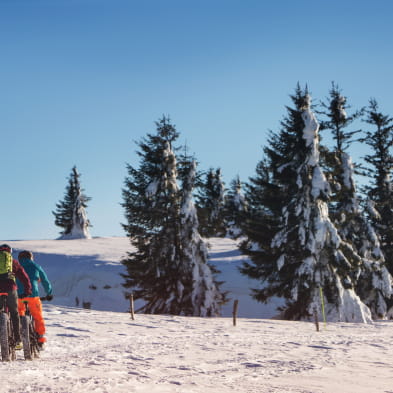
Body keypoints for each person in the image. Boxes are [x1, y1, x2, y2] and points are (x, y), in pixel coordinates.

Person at [17, 250, 53, 349]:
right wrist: (49, 293)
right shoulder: (36, 266)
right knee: (37, 317)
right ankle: (40, 340)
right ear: (31, 258)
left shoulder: (16, 267)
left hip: (18, 297)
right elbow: (45, 281)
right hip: (33, 296)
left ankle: (18, 337)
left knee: (18, 314)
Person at [0, 244, 32, 350]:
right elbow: (24, 277)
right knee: (14, 313)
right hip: (10, 288)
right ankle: (18, 340)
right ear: (10, 252)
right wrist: (28, 290)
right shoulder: (13, 263)